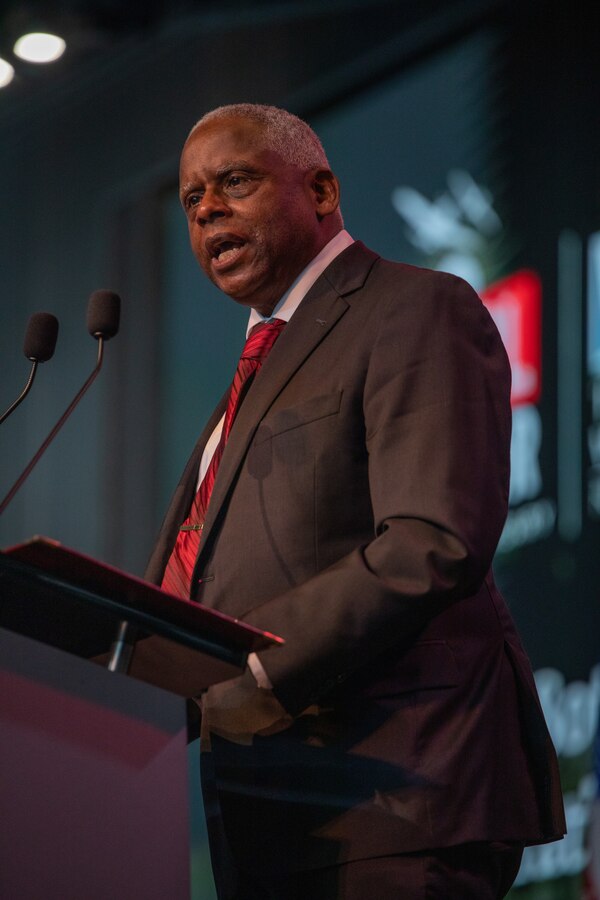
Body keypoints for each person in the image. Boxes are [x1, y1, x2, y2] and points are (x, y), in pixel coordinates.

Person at [145, 103, 566, 899]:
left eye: (234, 182)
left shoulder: (413, 308)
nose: (207, 210)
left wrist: (257, 664)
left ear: (324, 188)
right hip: (269, 816)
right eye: (192, 199)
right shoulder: (254, 375)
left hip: (397, 794)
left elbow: (433, 536)